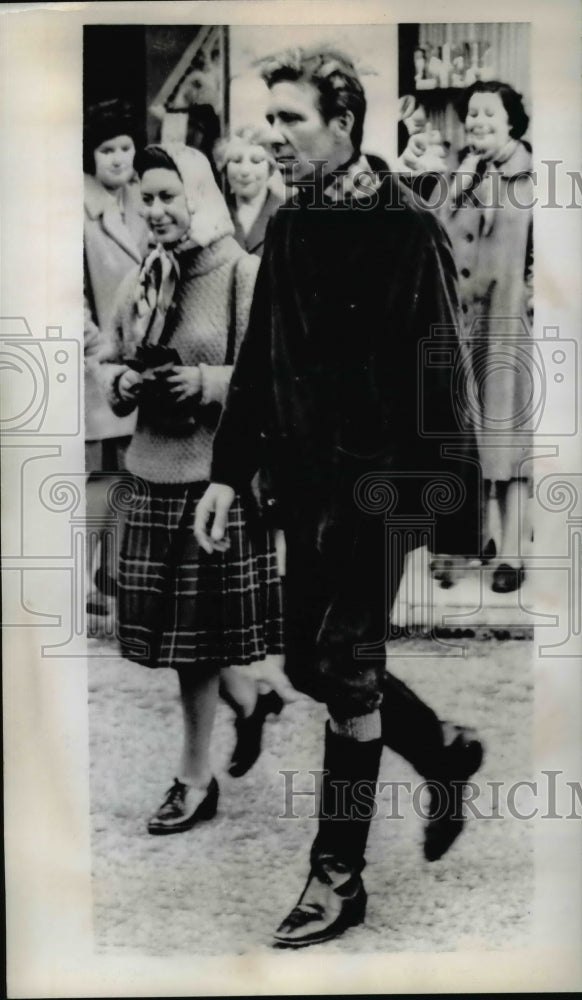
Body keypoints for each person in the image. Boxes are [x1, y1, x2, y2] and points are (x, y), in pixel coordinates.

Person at [195, 47, 484, 948]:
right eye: (269, 120)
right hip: (304, 490)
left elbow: (446, 374)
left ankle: (337, 876)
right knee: (307, 664)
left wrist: (446, 517)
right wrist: (226, 474)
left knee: (346, 666)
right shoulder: (289, 226)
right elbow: (258, 363)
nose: (273, 137)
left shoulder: (408, 228)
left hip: (384, 489)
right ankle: (443, 754)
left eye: (291, 120)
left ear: (346, 122)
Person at [97, 143, 285, 833]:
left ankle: (193, 778)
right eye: (146, 198)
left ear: (198, 197)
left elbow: (269, 375)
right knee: (185, 641)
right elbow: (109, 356)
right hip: (151, 475)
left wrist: (204, 382)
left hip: (213, 484)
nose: (156, 210)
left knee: (194, 648)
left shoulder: (241, 271)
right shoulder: (146, 273)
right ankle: (251, 697)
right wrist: (120, 382)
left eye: (168, 196)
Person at [439, 81, 534, 593]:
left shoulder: (535, 177)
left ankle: (514, 554)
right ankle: (474, 541)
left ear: (512, 122)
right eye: (471, 114)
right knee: (464, 438)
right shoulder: (461, 176)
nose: (476, 122)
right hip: (462, 326)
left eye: (488, 114)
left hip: (511, 325)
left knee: (509, 440)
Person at [83, 99, 150, 617]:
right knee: (100, 474)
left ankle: (116, 572)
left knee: (130, 470)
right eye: (107, 149)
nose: (118, 158)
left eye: (125, 147)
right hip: (97, 358)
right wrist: (92, 344)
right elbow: (69, 291)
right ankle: (87, 577)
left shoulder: (144, 201)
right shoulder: (76, 210)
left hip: (139, 354)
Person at [215, 125, 284, 258]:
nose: (245, 171)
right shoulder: (214, 212)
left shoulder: (287, 213)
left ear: (270, 168)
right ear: (224, 168)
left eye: (256, 161)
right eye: (236, 160)